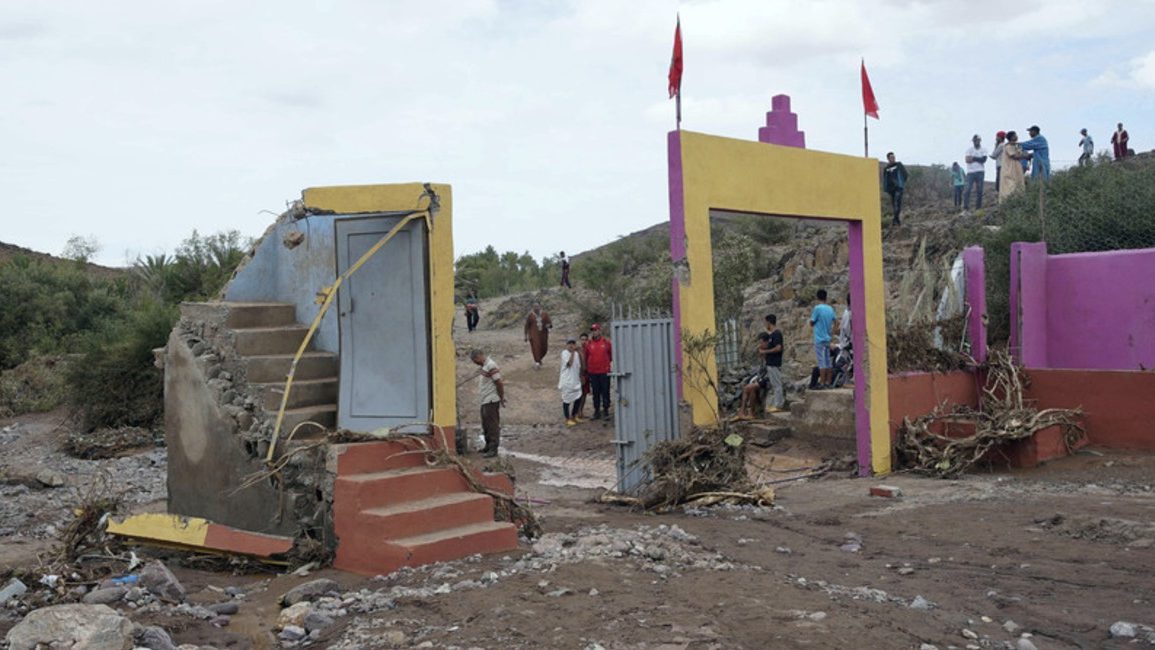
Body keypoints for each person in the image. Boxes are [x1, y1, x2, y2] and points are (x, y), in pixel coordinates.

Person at [470, 349, 505, 457]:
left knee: (492, 425)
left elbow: (499, 383)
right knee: (485, 424)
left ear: (479, 356)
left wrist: (501, 397)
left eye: (475, 360)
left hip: (491, 399)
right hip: (484, 399)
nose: (475, 363)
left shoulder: (491, 365)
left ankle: (493, 449)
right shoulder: (485, 366)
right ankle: (488, 445)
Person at [737, 333, 770, 420]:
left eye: (761, 342)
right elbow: (761, 370)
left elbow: (768, 372)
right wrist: (757, 379)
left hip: (767, 379)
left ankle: (742, 411)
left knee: (747, 388)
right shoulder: (762, 353)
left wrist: (759, 379)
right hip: (762, 378)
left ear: (766, 342)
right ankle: (751, 413)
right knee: (751, 389)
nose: (760, 344)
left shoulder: (769, 353)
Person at [585, 323, 613, 420]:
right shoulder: (589, 344)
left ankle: (606, 410)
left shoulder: (606, 342)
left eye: (596, 330)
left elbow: (611, 355)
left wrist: (605, 364)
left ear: (599, 331)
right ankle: (596, 411)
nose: (594, 332)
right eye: (593, 330)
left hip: (604, 372)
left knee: (605, 391)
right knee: (595, 392)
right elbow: (586, 356)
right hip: (593, 372)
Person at [810, 289, 836, 389]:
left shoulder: (817, 308)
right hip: (828, 339)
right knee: (828, 361)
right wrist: (831, 333)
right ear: (826, 297)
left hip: (819, 339)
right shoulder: (830, 309)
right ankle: (829, 383)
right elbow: (836, 322)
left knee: (821, 362)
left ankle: (822, 383)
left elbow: (812, 322)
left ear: (817, 297)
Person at [763, 314, 785, 412]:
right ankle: (776, 403)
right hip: (770, 363)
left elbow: (778, 348)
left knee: (777, 384)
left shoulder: (777, 334)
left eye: (765, 322)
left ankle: (778, 405)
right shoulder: (771, 335)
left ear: (769, 322)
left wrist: (765, 352)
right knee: (774, 384)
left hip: (774, 363)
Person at [558, 339, 582, 427]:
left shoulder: (576, 354)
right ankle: (567, 419)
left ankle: (573, 416)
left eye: (573, 344)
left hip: (575, 380)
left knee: (578, 397)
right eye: (569, 344)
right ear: (566, 345)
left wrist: (581, 377)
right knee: (566, 400)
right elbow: (569, 364)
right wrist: (572, 353)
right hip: (567, 381)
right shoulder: (564, 353)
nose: (571, 346)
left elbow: (578, 366)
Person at [999, 131, 1027, 200]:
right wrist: (1026, 156)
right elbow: (1014, 156)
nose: (1016, 137)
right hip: (1009, 169)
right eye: (1015, 135)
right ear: (1011, 137)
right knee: (1010, 185)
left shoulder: (1015, 146)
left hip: (1016, 168)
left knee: (1018, 183)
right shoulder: (1008, 146)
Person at [882, 152, 908, 226]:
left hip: (898, 188)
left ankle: (895, 219)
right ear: (888, 158)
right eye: (891, 157)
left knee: (897, 203)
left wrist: (901, 183)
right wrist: (886, 188)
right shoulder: (886, 168)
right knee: (894, 205)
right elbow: (885, 178)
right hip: (891, 189)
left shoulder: (899, 165)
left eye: (893, 157)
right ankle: (897, 220)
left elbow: (905, 174)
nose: (893, 158)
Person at [524, 303, 552, 368]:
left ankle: (539, 359)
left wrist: (548, 326)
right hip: (534, 335)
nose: (536, 308)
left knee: (544, 348)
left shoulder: (545, 314)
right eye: (534, 307)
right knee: (536, 348)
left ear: (540, 307)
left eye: (537, 306)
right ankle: (537, 362)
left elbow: (550, 323)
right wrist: (526, 336)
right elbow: (526, 326)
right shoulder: (530, 315)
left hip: (543, 335)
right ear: (533, 308)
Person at [963, 134, 988, 210]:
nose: (975, 142)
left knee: (979, 190)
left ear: (979, 141)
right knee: (967, 189)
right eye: (974, 141)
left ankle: (978, 207)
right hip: (970, 172)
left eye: (977, 140)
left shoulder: (984, 150)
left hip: (980, 171)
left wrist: (973, 158)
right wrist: (978, 159)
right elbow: (967, 160)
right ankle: (966, 207)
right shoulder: (969, 150)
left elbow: (983, 160)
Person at [572, 332, 590, 420]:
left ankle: (581, 411)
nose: (584, 341)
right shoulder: (576, 350)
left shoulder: (589, 348)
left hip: (587, 373)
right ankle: (575, 412)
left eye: (585, 340)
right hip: (578, 374)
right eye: (582, 340)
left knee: (584, 393)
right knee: (577, 393)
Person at [990, 131, 1007, 195]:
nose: (996, 138)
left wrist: (995, 146)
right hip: (1004, 164)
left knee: (999, 181)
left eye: (997, 137)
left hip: (1000, 165)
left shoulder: (1001, 145)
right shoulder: (1005, 145)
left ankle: (999, 194)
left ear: (1000, 137)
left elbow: (993, 155)